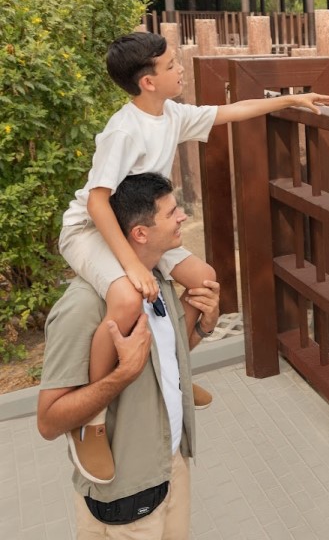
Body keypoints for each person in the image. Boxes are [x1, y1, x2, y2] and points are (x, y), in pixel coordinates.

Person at [59, 31, 329, 483]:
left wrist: (288, 102)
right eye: (171, 66)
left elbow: (228, 112)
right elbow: (96, 202)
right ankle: (89, 423)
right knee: (128, 299)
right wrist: (130, 265)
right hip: (94, 230)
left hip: (142, 230)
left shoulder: (170, 115)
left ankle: (176, 372)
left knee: (205, 279)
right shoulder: (123, 130)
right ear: (147, 81)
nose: (179, 68)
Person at [38, 173, 220, 537]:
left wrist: (202, 327)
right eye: (171, 213)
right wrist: (123, 374)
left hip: (170, 467)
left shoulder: (160, 281)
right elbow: (49, 421)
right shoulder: (83, 307)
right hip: (123, 498)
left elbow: (163, 361)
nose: (182, 217)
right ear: (140, 233)